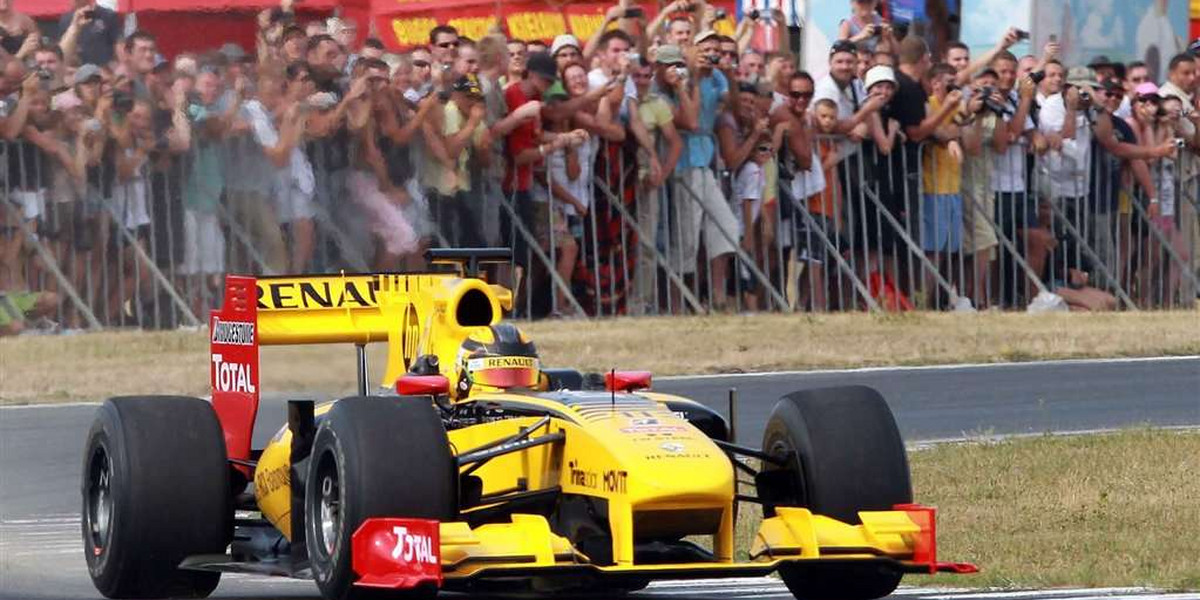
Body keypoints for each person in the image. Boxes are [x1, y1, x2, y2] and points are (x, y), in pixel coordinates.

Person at [671, 32, 740, 311]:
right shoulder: (683, 76)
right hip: (683, 162)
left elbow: (733, 107)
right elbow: (688, 119)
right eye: (705, 49)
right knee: (687, 237)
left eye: (715, 49)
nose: (711, 54)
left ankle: (718, 296)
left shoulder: (719, 77)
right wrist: (696, 76)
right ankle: (680, 302)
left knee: (727, 227)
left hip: (705, 162)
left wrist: (730, 75)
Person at [628, 54, 684, 315]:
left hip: (646, 180)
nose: (641, 81)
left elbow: (675, 141)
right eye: (636, 76)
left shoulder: (657, 103)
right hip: (618, 177)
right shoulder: (622, 99)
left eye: (646, 76)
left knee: (647, 245)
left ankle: (641, 302)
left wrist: (662, 173)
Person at [57, 0, 121, 67]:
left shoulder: (108, 16)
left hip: (101, 70)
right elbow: (61, 48)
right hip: (75, 69)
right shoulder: (66, 19)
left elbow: (117, 44)